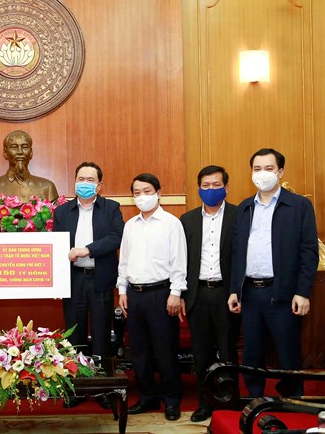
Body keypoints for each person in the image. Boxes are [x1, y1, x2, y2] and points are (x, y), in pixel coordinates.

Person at [228, 148, 318, 397]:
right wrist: (235, 290)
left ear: (280, 172)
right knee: (252, 352)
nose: (262, 174)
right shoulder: (245, 207)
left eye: (268, 168)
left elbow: (309, 252)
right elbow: (237, 252)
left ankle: (292, 398)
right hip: (250, 293)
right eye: (257, 169)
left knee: (288, 351)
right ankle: (255, 397)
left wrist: (303, 292)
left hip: (283, 293)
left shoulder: (299, 205)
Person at [53, 162, 124, 409]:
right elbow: (55, 244)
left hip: (101, 278)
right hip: (73, 280)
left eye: (90, 179)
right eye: (81, 179)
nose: (85, 183)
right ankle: (77, 387)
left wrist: (87, 250)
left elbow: (116, 238)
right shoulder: (62, 211)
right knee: (75, 334)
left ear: (99, 185)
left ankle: (102, 387)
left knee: (102, 334)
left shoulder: (111, 208)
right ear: (74, 182)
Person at [117, 173, 187, 421]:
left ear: (158, 193)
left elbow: (179, 261)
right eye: (137, 193)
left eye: (147, 191)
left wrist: (175, 293)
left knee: (165, 349)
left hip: (161, 294)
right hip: (134, 295)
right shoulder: (130, 225)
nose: (142, 196)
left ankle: (172, 399)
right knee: (139, 351)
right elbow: (124, 261)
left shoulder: (171, 223)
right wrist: (122, 290)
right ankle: (147, 396)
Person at [180, 165, 238, 422]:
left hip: (226, 293)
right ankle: (205, 403)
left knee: (227, 352)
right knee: (201, 353)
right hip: (198, 294)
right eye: (206, 185)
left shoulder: (239, 215)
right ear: (198, 188)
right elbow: (182, 260)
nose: (211, 190)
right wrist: (182, 295)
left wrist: (237, 291)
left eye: (217, 185)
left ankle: (228, 401)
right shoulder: (187, 220)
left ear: (226, 187)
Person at [0, 130, 59, 202]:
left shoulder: (47, 187)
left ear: (31, 153)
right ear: (5, 153)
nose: (20, 152)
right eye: (14, 147)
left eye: (25, 147)